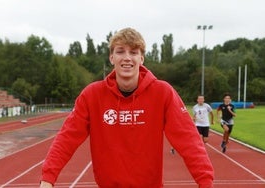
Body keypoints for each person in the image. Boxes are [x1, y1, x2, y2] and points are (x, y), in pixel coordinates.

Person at [40, 28, 214, 188]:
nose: (127, 58)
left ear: (141, 58)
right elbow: (67, 138)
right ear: (111, 58)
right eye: (120, 51)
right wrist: (48, 178)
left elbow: (188, 138)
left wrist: (205, 179)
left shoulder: (162, 93)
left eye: (133, 52)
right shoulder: (92, 95)